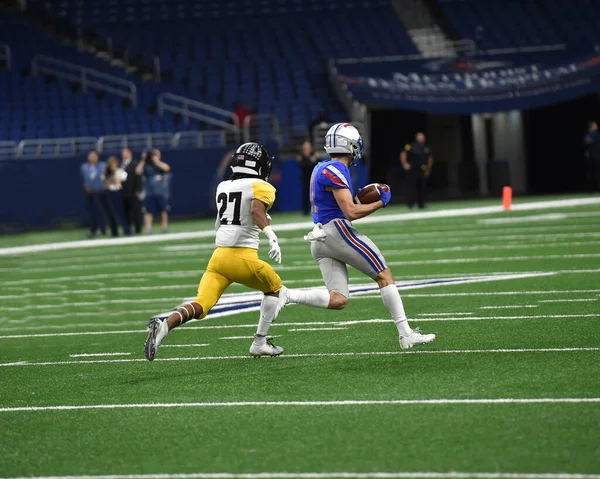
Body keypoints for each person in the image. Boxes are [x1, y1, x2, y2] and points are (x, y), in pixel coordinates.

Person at [144, 142, 338, 360]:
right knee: (275, 290)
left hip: (218, 258)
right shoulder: (262, 187)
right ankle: (259, 342)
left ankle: (164, 327)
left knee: (201, 304)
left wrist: (252, 223)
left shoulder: (223, 186)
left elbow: (221, 224)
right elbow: (255, 210)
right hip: (242, 257)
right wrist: (271, 236)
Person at [300, 123, 436, 350]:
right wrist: (380, 202)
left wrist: (360, 200)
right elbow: (350, 212)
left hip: (319, 238)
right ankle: (405, 333)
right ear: (349, 145)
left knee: (338, 299)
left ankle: (287, 296)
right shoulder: (337, 169)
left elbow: (344, 205)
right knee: (384, 275)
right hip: (337, 232)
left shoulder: (320, 167)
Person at [80, 150, 119, 238]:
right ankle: (93, 230)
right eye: (90, 155)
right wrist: (86, 187)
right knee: (92, 212)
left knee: (105, 211)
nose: (92, 157)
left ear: (97, 157)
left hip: (102, 192)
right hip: (90, 193)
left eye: (94, 155)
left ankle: (104, 229)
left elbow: (108, 177)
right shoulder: (84, 167)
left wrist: (106, 186)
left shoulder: (103, 165)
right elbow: (83, 179)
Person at [136, 149, 171, 234]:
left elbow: (167, 168)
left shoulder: (159, 164)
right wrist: (143, 160)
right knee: (148, 211)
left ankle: (164, 228)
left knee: (163, 210)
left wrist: (157, 161)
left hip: (160, 191)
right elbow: (137, 171)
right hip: (149, 192)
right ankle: (148, 229)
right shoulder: (146, 165)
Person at [400, 132, 433, 209]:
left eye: (422, 137)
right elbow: (403, 154)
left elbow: (430, 159)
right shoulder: (410, 146)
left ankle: (421, 204)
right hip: (412, 170)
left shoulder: (426, 148)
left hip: (422, 170)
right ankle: (410, 204)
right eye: (420, 137)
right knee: (411, 187)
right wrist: (405, 163)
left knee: (422, 188)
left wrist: (428, 169)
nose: (421, 138)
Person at [102, 155, 129, 235]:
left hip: (118, 192)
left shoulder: (120, 171)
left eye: (114, 163)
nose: (113, 165)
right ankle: (114, 232)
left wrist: (113, 176)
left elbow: (118, 182)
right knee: (111, 213)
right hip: (109, 193)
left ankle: (127, 230)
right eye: (111, 163)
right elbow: (106, 183)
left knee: (121, 213)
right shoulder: (106, 172)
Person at [120, 148, 142, 235]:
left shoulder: (135, 163)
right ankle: (128, 229)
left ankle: (138, 228)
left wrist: (138, 189)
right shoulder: (121, 164)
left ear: (130, 153)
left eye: (125, 152)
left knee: (136, 211)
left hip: (133, 191)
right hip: (124, 192)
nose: (123, 154)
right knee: (126, 212)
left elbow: (138, 177)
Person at [296, 141, 319, 215]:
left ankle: (316, 210)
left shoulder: (314, 154)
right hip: (305, 178)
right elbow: (301, 165)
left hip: (313, 178)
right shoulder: (301, 156)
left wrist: (309, 161)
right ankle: (305, 211)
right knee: (305, 195)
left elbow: (317, 164)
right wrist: (309, 161)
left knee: (315, 194)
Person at [584, 121, 600, 191]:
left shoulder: (598, 134)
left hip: (597, 156)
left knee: (598, 173)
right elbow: (585, 145)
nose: (596, 126)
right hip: (591, 157)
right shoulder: (588, 135)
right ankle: (590, 189)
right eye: (594, 125)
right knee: (590, 174)